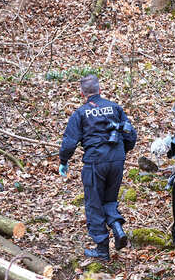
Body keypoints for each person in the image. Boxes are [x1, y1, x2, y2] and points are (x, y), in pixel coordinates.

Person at [59, 74, 137, 261]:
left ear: (82, 93)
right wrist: (120, 153)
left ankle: (102, 249)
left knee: (94, 205)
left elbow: (69, 143)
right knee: (109, 200)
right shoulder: (115, 108)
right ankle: (117, 228)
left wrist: (63, 161)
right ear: (100, 90)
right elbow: (130, 136)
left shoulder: (81, 113)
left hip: (95, 163)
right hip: (117, 161)